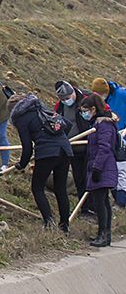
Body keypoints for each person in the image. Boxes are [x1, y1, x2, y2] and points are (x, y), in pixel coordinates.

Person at [10, 94, 73, 232]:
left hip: (47, 153)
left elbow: (27, 147)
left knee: (37, 188)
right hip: (65, 149)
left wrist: (22, 164)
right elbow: (67, 125)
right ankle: (64, 226)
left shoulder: (21, 118)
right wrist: (58, 138)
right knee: (60, 188)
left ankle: (49, 222)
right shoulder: (42, 108)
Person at [80, 94, 116, 247]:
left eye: (85, 111)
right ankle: (105, 235)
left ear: (93, 109)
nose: (84, 114)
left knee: (100, 202)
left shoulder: (103, 125)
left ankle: (103, 234)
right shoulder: (98, 123)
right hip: (100, 166)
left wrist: (96, 167)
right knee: (103, 201)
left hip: (102, 167)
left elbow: (104, 147)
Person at [55, 80, 95, 216]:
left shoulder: (87, 98)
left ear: (73, 92)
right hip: (72, 148)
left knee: (90, 177)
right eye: (63, 99)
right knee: (78, 178)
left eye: (68, 97)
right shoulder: (60, 107)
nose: (67, 101)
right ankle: (84, 209)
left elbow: (104, 111)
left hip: (88, 145)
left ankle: (95, 207)